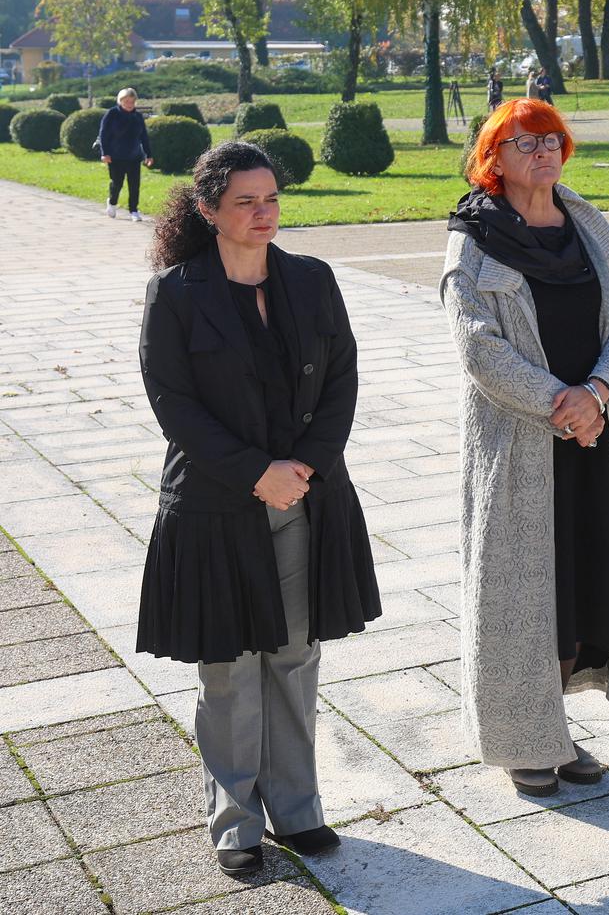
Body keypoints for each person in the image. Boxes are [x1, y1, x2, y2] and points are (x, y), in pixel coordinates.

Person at [137, 141, 381, 877]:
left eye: (270, 198)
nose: (263, 212)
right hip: (215, 507)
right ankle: (235, 820)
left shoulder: (312, 280)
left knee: (296, 656)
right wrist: (256, 474)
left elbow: (342, 379)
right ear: (208, 210)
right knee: (229, 668)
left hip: (308, 494)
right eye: (245, 201)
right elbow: (173, 405)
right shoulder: (176, 292)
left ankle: (297, 807)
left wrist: (301, 467)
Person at [441, 97, 609, 796]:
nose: (543, 152)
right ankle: (519, 741)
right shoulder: (473, 239)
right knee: (519, 599)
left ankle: (552, 731)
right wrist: (558, 406)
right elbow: (477, 349)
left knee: (578, 593)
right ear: (492, 157)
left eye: (552, 138)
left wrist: (596, 394)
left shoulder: (586, 229)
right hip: (520, 444)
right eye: (524, 142)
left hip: (590, 439)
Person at [99, 87, 153, 221]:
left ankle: (134, 210)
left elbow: (144, 137)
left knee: (134, 185)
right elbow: (103, 135)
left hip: (134, 156)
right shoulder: (112, 114)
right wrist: (105, 153)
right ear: (120, 101)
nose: (129, 104)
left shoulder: (137, 116)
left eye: (132, 101)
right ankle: (112, 202)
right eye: (126, 101)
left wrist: (148, 155)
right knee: (117, 183)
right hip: (115, 156)